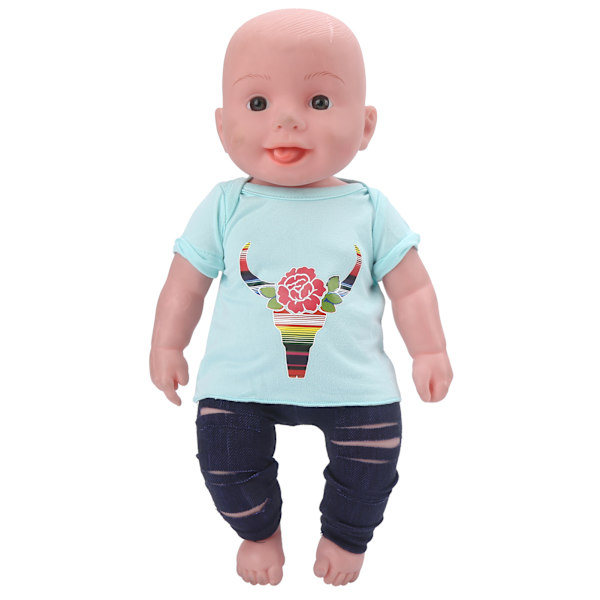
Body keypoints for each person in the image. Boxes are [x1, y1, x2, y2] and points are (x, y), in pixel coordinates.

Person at [150, 8, 452, 586]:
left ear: (366, 126)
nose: (286, 120)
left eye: (318, 101)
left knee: (372, 466)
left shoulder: (370, 209)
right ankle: (258, 530)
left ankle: (346, 534)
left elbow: (412, 287)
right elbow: (184, 284)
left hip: (355, 387)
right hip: (238, 384)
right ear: (222, 127)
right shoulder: (225, 204)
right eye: (258, 103)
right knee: (224, 457)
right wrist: (167, 345)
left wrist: (429, 351)